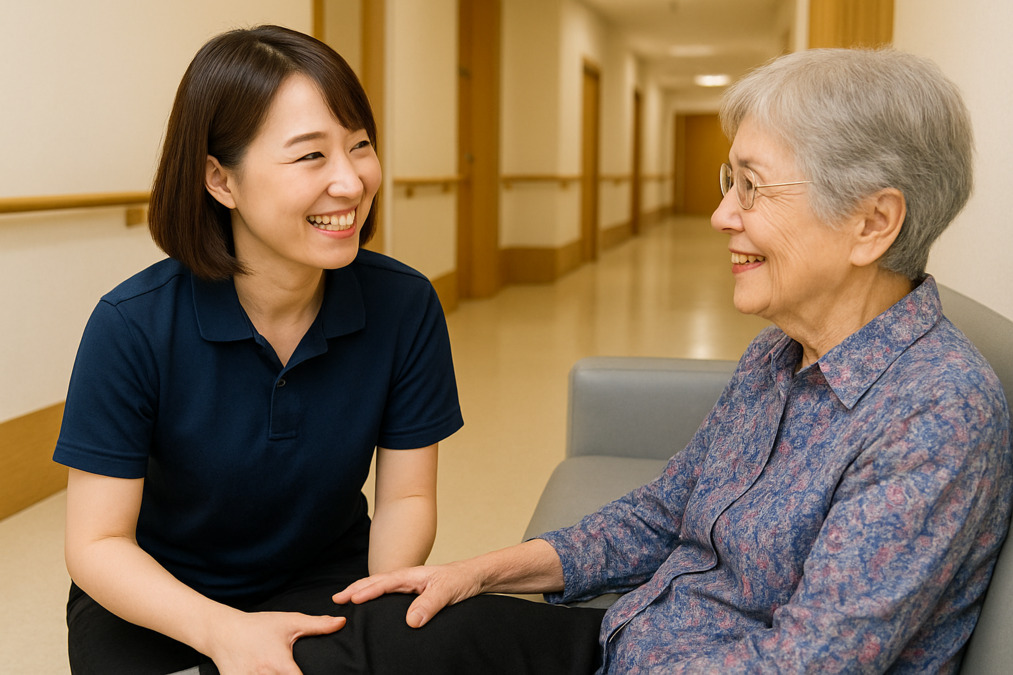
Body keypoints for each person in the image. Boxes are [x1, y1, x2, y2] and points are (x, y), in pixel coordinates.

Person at [334, 48, 1013, 673]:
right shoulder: (779, 352)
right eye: (729, 179)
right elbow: (664, 512)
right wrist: (479, 572)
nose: (720, 214)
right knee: (389, 630)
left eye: (751, 186)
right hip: (631, 640)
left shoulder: (935, 414)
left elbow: (806, 662)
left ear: (871, 223)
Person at [54, 25, 465, 674]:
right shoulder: (131, 324)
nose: (351, 183)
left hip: (324, 582)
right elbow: (98, 542)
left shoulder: (404, 304)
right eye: (310, 156)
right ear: (220, 179)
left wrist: (382, 602)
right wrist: (223, 633)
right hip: (158, 599)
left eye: (358, 146)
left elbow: (406, 498)